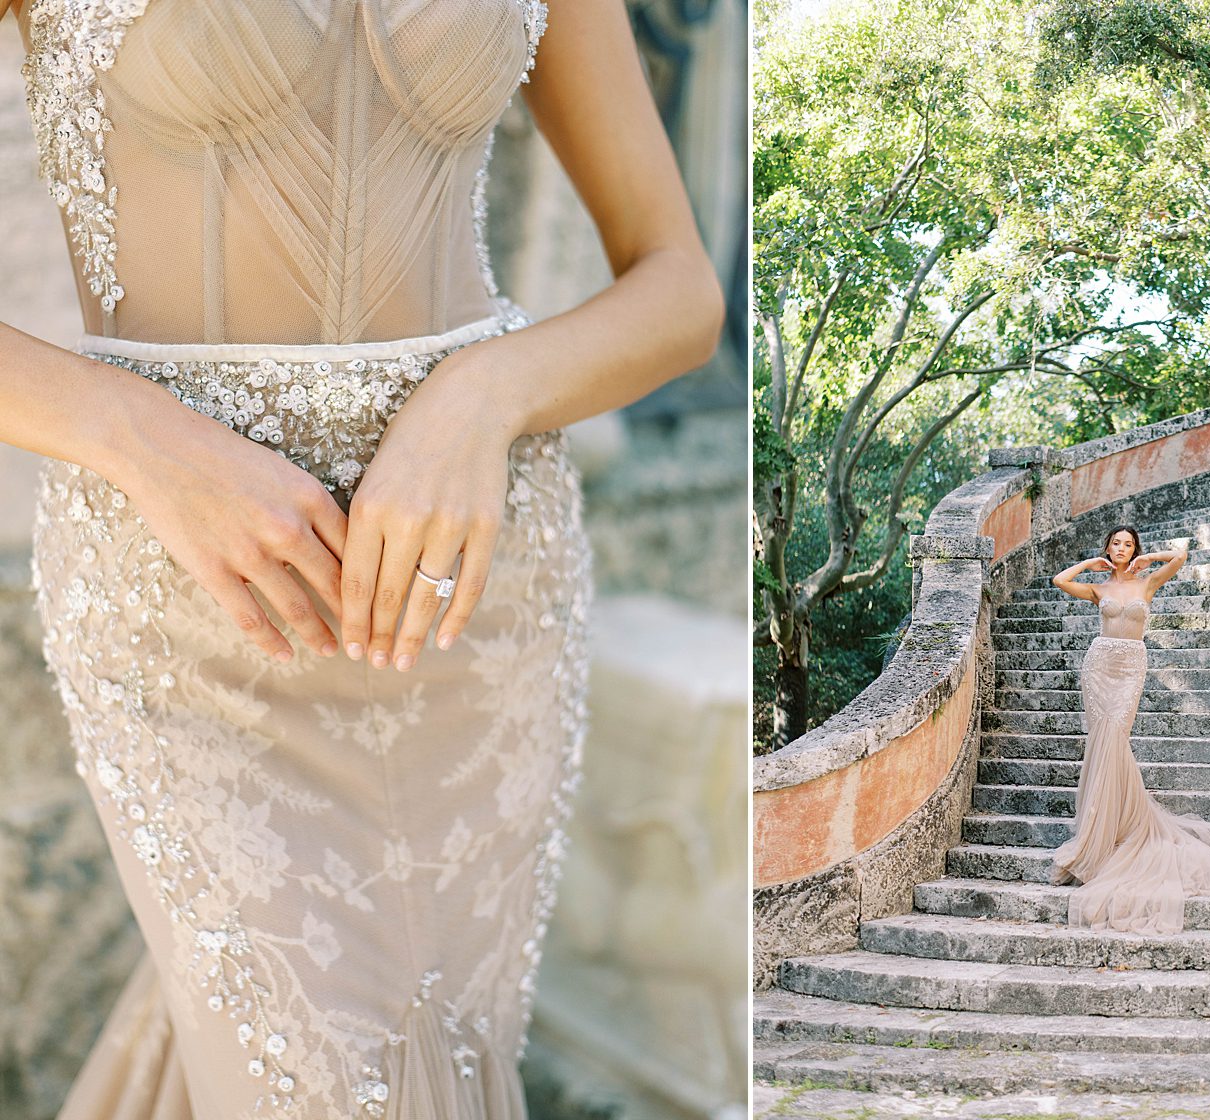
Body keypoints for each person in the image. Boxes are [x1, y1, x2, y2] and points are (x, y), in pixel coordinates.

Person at [0, 0, 725, 1116]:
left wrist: (485, 396)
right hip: (199, 602)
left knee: (417, 1047)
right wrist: (133, 433)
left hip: (471, 594)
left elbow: (679, 286)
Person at [1047, 525, 1210, 934]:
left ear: (1135, 549)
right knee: (1103, 742)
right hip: (1099, 668)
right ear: (1107, 548)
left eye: (1128, 544)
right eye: (1115, 543)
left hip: (1131, 667)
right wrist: (1089, 565)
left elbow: (1180, 559)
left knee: (1117, 738)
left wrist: (1149, 560)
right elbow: (1061, 581)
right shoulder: (1098, 590)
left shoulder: (1148, 582)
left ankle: (1118, 824)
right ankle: (1098, 829)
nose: (1121, 549)